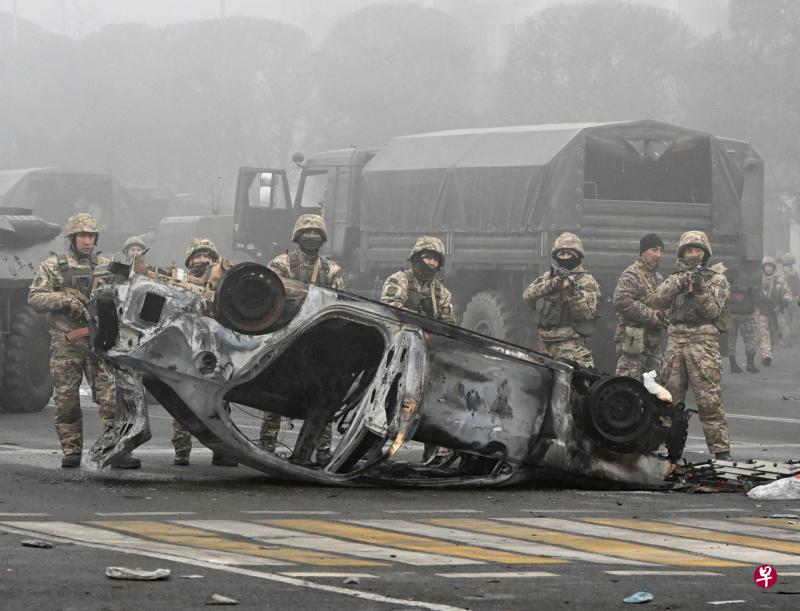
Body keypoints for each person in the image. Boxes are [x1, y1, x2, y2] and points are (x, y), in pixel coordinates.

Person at [28, 213, 140, 469]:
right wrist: (66, 301)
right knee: (67, 402)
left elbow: (128, 293)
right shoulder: (54, 266)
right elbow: (34, 298)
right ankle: (71, 450)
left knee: (112, 400)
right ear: (72, 238)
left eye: (91, 236)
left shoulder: (105, 266)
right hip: (67, 345)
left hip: (100, 344)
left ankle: (116, 450)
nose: (87, 241)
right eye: (82, 236)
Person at [259, 215, 345, 463]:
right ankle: (266, 446)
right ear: (298, 236)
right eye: (306, 233)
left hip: (320, 342)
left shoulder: (332, 270)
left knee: (323, 395)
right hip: (286, 337)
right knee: (274, 393)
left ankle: (322, 450)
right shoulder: (281, 263)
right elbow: (272, 297)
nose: (311, 237)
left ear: (323, 238)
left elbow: (340, 303)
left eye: (316, 233)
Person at [654, 230, 732, 460]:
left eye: (697, 249)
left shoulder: (717, 279)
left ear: (705, 253)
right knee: (668, 399)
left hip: (703, 342)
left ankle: (721, 452)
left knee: (709, 400)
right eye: (688, 250)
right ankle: (665, 450)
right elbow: (658, 299)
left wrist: (699, 288)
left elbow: (712, 311)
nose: (692, 254)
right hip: (676, 341)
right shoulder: (675, 277)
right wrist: (681, 281)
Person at [381, 235, 455, 464]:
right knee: (388, 403)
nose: (431, 263)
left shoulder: (441, 293)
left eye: (435, 260)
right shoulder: (399, 280)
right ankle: (374, 448)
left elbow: (448, 324)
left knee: (430, 404)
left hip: (426, 356)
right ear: (416, 257)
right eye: (427, 258)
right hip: (398, 354)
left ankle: (433, 453)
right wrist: (420, 322)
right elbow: (390, 311)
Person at [172, 238, 238, 467]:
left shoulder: (223, 282)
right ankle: (182, 450)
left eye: (207, 256)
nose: (202, 260)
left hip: (216, 349)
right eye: (198, 256)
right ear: (190, 260)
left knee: (220, 401)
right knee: (182, 397)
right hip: (187, 348)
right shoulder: (178, 282)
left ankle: (223, 451)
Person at [523, 232, 600, 368]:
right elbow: (528, 297)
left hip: (570, 348)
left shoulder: (586, 281)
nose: (565, 258)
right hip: (544, 347)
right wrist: (552, 285)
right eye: (561, 255)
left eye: (569, 254)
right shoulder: (549, 277)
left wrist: (572, 294)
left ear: (577, 256)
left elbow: (585, 314)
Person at [612, 233, 666, 381]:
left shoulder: (658, 278)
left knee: (654, 389)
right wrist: (649, 315)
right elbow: (621, 300)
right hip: (633, 340)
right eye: (654, 250)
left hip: (653, 342)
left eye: (661, 251)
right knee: (628, 385)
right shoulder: (632, 274)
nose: (658, 255)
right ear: (643, 252)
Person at [755, 256, 792, 366]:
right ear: (763, 267)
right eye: (767, 266)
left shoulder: (779, 279)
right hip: (761, 310)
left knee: (774, 334)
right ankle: (766, 355)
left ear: (774, 268)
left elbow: (787, 291)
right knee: (763, 333)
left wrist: (786, 299)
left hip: (775, 311)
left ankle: (768, 351)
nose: (769, 269)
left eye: (771, 266)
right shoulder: (758, 279)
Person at [726, 268, 759, 373]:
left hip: (731, 313)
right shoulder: (751, 275)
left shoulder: (725, 274)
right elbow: (757, 295)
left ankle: (733, 365)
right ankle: (750, 364)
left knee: (731, 340)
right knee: (750, 339)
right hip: (745, 313)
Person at [780, 252, 799, 343]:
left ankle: (790, 335)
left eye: (789, 265)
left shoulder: (795, 274)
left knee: (790, 318)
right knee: (788, 318)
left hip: (791, 298)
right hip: (788, 299)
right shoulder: (793, 273)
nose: (788, 268)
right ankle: (788, 336)